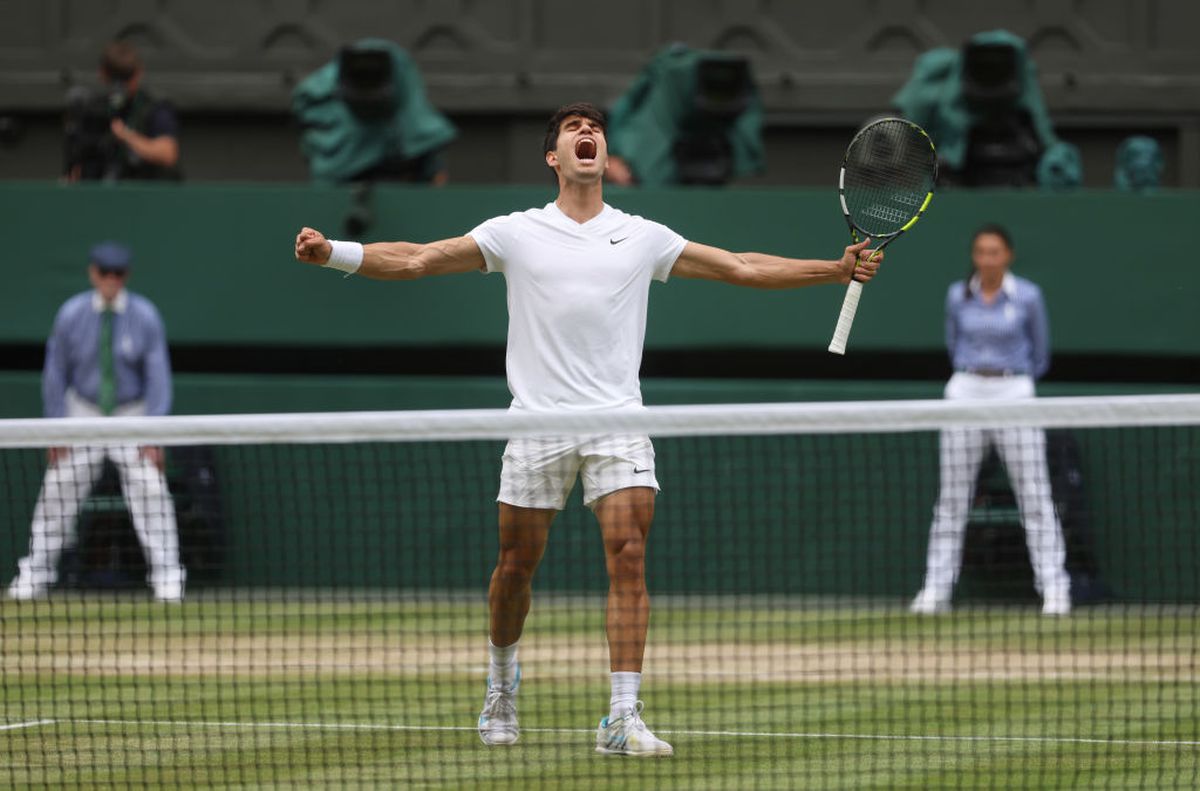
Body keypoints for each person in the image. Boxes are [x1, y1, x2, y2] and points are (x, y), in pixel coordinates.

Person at [294, 102, 881, 756]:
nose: (586, 133)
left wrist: (832, 270)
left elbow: (740, 266)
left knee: (629, 553)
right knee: (515, 567)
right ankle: (501, 686)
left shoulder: (642, 235)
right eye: (573, 128)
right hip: (538, 423)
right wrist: (334, 254)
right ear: (554, 156)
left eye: (594, 128)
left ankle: (621, 718)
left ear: (603, 153)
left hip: (617, 422)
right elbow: (417, 259)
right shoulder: (515, 232)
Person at [7, 242, 186, 603]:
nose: (110, 280)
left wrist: (154, 433)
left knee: (151, 491)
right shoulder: (71, 315)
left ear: (126, 276)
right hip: (82, 413)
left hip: (131, 415)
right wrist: (55, 428)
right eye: (104, 273)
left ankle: (168, 577)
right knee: (57, 493)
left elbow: (158, 380)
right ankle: (35, 574)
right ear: (93, 274)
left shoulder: (145, 316)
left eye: (117, 274)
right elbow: (55, 374)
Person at [911, 224, 1070, 617]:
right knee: (952, 497)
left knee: (1034, 493)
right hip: (965, 390)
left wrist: (1011, 378)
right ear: (974, 256)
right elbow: (953, 345)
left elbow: (1040, 353)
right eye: (981, 252)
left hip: (1014, 391)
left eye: (994, 252)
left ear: (1008, 256)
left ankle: (1054, 589)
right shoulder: (957, 296)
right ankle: (935, 591)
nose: (987, 259)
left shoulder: (1028, 296)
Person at [64, 40, 181, 182]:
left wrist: (126, 136)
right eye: (114, 77)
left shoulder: (153, 107)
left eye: (125, 78)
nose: (121, 86)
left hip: (145, 193)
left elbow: (167, 154)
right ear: (103, 74)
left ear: (138, 73)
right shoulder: (94, 110)